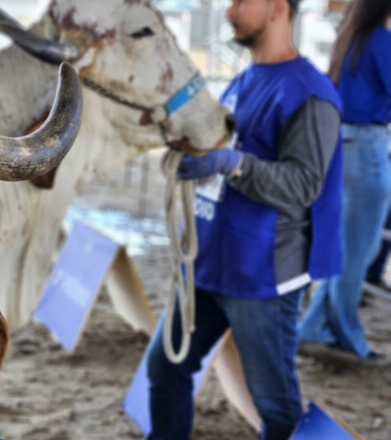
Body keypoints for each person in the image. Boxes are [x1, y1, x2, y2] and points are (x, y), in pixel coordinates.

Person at [144, 0, 343, 438]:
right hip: (207, 265)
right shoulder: (242, 80)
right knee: (164, 369)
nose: (229, 11)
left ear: (276, 8)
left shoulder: (310, 93)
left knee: (274, 403)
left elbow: (303, 185)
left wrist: (232, 164)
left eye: (240, 2)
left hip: (262, 278)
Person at [299, 0, 391, 359]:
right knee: (358, 252)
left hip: (345, 145)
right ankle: (349, 339)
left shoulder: (350, 38)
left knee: (352, 249)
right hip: (368, 146)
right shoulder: (381, 41)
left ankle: (312, 328)